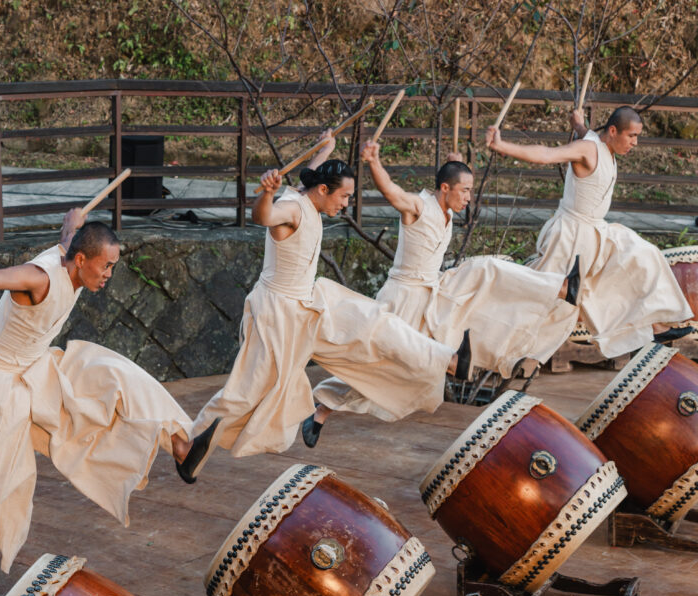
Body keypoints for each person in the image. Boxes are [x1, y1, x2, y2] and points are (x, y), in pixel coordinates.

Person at [0, 210, 201, 596]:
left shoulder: (72, 249)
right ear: (80, 261)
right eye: (105, 265)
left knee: (112, 374)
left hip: (37, 367)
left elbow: (71, 233)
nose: (109, 274)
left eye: (113, 265)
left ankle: (181, 444)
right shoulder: (39, 278)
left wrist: (73, 221)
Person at [181, 151, 469, 476]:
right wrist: (265, 193)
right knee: (250, 389)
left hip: (310, 305)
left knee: (376, 325)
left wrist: (324, 149)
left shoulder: (308, 195)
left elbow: (310, 174)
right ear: (323, 191)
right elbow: (264, 216)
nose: (346, 204)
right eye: (344, 196)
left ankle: (450, 359)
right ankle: (187, 445)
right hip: (277, 313)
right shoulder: (291, 207)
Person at [301, 141, 581, 446]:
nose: (469, 198)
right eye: (464, 191)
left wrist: (455, 161)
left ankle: (561, 287)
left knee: (487, 270)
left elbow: (450, 180)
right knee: (377, 364)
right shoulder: (418, 208)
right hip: (404, 297)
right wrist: (374, 162)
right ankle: (321, 411)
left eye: (470, 191)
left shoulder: (446, 204)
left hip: (435, 292)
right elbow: (392, 192)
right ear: (445, 188)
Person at [486, 106, 693, 356]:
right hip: (572, 235)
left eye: (637, 136)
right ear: (614, 131)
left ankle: (654, 326)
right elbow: (546, 155)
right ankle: (487, 331)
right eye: (632, 136)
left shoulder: (600, 143)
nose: (635, 143)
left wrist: (579, 125)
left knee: (642, 255)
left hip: (597, 231)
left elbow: (592, 140)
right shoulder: (587, 148)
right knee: (546, 300)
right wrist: (502, 146)